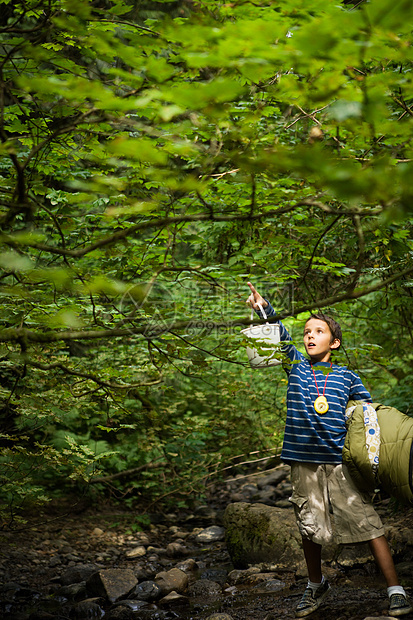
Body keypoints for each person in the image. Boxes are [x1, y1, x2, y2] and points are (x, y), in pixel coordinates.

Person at [245, 282, 412, 618]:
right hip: (303, 463)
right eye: (307, 331)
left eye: (318, 331)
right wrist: (262, 307)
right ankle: (315, 584)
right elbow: (279, 335)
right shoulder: (296, 366)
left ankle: (395, 589)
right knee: (310, 526)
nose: (310, 336)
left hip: (339, 462)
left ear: (333, 342)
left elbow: (368, 418)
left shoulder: (347, 377)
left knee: (368, 524)